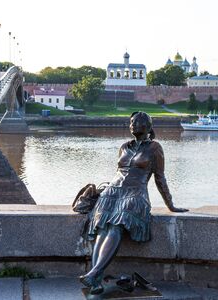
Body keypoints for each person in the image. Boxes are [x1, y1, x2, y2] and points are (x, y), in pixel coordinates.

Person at [80, 111, 188, 294]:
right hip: (112, 192)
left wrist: (171, 205)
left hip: (136, 194)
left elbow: (160, 179)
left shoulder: (155, 148)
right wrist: (104, 192)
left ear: (148, 126)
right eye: (131, 122)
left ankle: (94, 273)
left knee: (116, 224)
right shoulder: (124, 147)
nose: (133, 125)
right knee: (101, 225)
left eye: (137, 122)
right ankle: (95, 280)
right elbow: (118, 172)